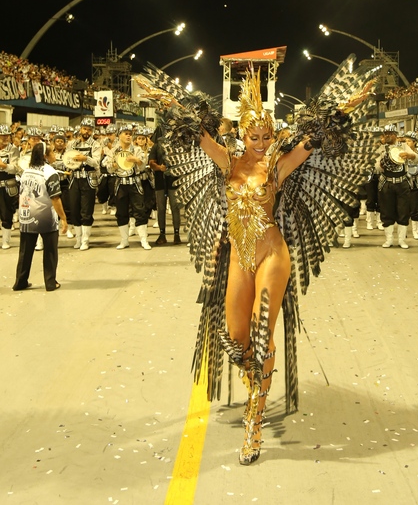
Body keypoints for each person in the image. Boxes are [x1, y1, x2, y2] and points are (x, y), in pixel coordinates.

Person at [139, 61, 377, 466]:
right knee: (236, 339)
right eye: (255, 136)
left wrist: (349, 104)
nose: (262, 142)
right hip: (239, 257)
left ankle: (254, 419)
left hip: (271, 254)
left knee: (263, 333)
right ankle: (257, 385)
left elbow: (315, 139)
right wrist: (164, 98)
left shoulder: (277, 167)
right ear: (243, 134)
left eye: (267, 136)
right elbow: (195, 131)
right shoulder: (226, 163)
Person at [13, 141, 67, 291]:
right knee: (50, 251)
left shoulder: (26, 171)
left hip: (26, 214)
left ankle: (20, 282)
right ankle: (50, 282)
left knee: (25, 251)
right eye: (52, 152)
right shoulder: (50, 172)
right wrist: (63, 218)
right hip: (45, 217)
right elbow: (55, 198)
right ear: (45, 156)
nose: (54, 154)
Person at [104, 124, 151, 250]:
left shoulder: (137, 150)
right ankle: (124, 240)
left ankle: (144, 240)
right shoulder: (113, 151)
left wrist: (137, 160)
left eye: (130, 133)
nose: (129, 136)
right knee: (121, 212)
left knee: (140, 210)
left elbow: (143, 166)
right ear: (119, 135)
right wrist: (114, 165)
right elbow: (108, 168)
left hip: (135, 182)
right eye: (126, 133)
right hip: (120, 183)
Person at [375, 124, 416, 249]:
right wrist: (381, 164)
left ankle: (402, 240)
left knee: (403, 211)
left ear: (396, 135)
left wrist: (409, 155)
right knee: (387, 211)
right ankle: (389, 239)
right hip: (386, 182)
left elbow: (415, 157)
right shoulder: (380, 149)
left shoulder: (403, 146)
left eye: (390, 134)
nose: (387, 136)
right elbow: (376, 167)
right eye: (386, 134)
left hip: (402, 182)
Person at [66, 117, 101, 250]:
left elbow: (96, 162)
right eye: (84, 129)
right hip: (74, 178)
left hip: (88, 179)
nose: (86, 132)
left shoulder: (95, 144)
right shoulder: (72, 144)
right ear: (80, 129)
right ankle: (78, 238)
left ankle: (85, 240)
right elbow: (67, 159)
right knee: (74, 209)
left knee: (86, 210)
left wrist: (85, 158)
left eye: (89, 130)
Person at [148, 130, 182, 245]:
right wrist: (159, 168)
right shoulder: (156, 147)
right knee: (161, 208)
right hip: (160, 181)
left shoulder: (177, 146)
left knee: (175, 207)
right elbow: (151, 162)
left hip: (174, 180)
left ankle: (176, 233)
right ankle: (162, 233)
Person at [0, 125, 20, 249]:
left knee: (6, 213)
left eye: (7, 135)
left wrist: (3, 166)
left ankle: (6, 240)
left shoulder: (13, 149)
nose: (5, 138)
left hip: (7, 185)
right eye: (2, 136)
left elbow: (15, 168)